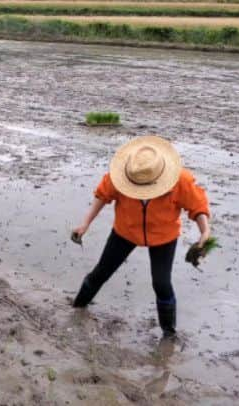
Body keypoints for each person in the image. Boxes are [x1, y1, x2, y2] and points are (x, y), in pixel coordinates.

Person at [71, 135, 211, 338]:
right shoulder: (120, 175)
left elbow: (198, 207)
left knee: (161, 283)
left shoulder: (181, 180)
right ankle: (77, 307)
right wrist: (85, 224)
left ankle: (169, 334)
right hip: (125, 231)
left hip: (164, 235)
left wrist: (204, 231)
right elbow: (102, 196)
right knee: (101, 272)